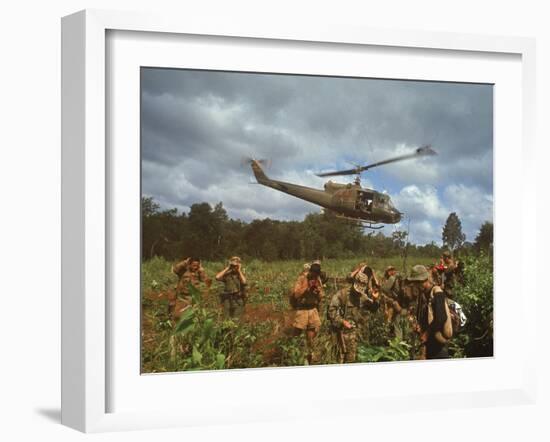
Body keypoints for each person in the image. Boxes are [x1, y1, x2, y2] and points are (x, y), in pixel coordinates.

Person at [327, 265, 380, 363]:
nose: (358, 293)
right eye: (357, 290)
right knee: (337, 361)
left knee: (350, 361)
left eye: (360, 291)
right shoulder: (341, 295)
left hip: (353, 335)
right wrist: (342, 321)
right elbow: (331, 311)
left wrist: (375, 299)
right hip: (339, 334)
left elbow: (373, 309)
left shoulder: (362, 297)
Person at [406, 264, 453, 359]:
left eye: (416, 283)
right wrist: (420, 327)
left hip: (439, 346)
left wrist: (427, 333)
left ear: (422, 280)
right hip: (430, 345)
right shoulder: (422, 294)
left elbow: (441, 318)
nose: (415, 286)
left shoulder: (437, 293)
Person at [290, 262, 324, 364]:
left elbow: (322, 296)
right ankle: (292, 352)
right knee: (297, 333)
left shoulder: (317, 279)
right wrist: (307, 287)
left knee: (311, 334)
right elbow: (296, 294)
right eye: (313, 274)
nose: (315, 277)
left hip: (313, 309)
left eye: (316, 275)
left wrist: (318, 291)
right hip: (302, 310)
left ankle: (310, 355)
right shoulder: (302, 278)